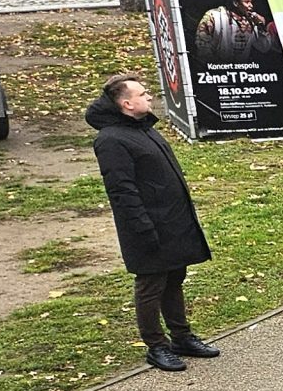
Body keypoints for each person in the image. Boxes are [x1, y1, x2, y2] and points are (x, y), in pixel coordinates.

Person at [86, 75, 217, 372]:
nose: (149, 97)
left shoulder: (144, 129)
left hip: (172, 222)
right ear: (126, 103)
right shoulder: (111, 140)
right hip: (147, 226)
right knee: (150, 285)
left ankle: (181, 336)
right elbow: (121, 190)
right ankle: (156, 346)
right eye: (143, 94)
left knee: (174, 279)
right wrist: (142, 227)